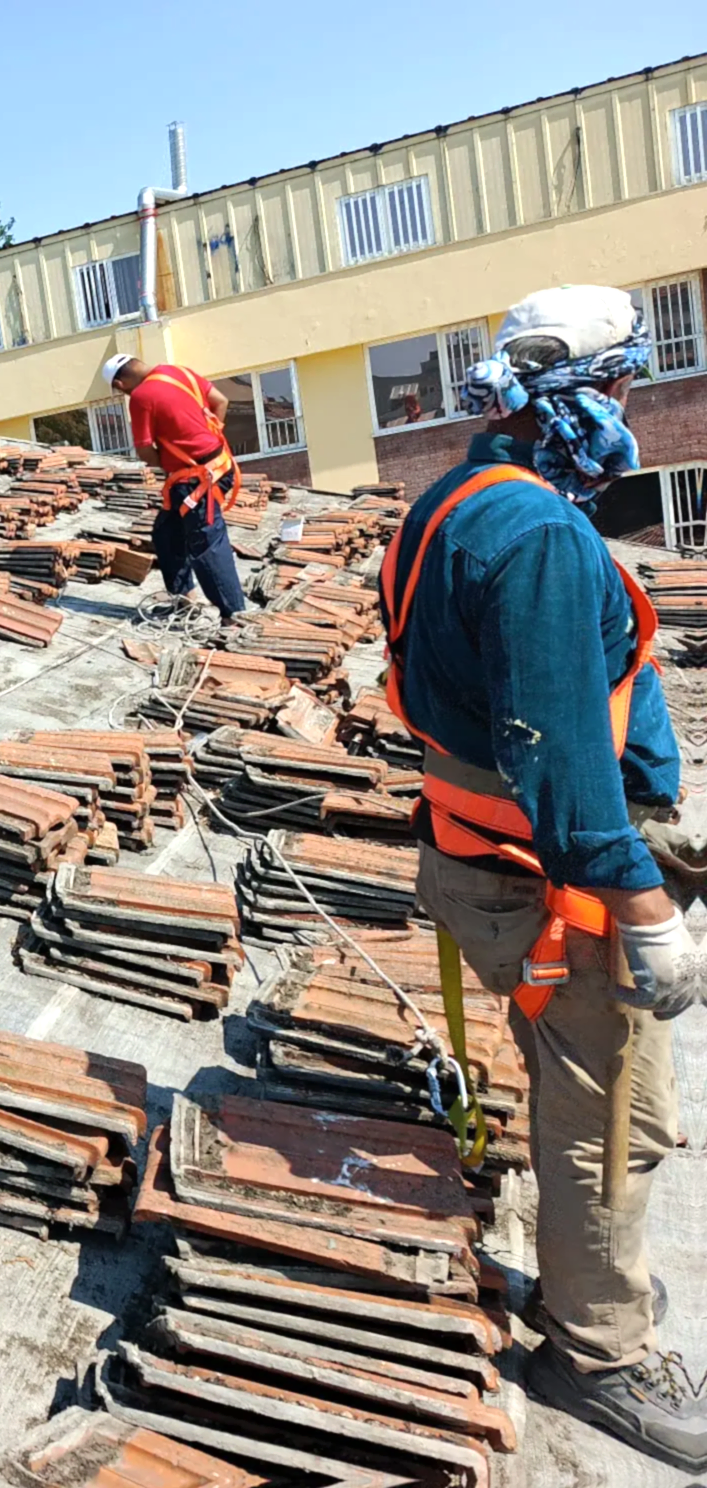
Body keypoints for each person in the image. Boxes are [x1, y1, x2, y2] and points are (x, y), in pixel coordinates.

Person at [380, 285, 703, 1470]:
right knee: (612, 1121)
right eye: (622, 386)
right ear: (582, 394)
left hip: (478, 855)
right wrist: (649, 912)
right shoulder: (540, 542)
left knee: (581, 1101)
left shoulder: (454, 500)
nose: (629, 408)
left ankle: (583, 1276)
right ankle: (596, 1354)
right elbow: (562, 767)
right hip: (552, 884)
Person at [102, 354, 246, 623]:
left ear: (120, 384)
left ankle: (234, 617)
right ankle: (184, 601)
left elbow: (145, 451)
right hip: (221, 465)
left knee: (207, 545)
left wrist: (174, 466)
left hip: (196, 482)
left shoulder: (141, 398)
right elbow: (221, 401)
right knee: (166, 534)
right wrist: (208, 440)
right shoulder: (180, 372)